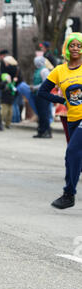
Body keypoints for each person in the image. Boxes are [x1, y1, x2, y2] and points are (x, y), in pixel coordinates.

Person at [38, 32, 82, 209]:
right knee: (71, 158)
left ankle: (68, 194)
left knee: (72, 152)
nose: (76, 48)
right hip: (72, 118)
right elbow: (42, 92)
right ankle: (69, 195)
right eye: (72, 45)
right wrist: (62, 100)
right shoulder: (59, 71)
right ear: (67, 48)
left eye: (79, 45)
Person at [31, 56, 51, 138]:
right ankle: (41, 131)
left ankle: (47, 131)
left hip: (43, 96)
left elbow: (45, 83)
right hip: (38, 95)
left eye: (37, 61)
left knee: (44, 114)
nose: (36, 63)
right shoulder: (38, 70)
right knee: (41, 114)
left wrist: (34, 87)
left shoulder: (44, 70)